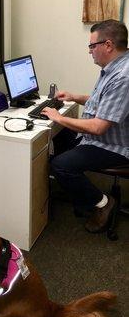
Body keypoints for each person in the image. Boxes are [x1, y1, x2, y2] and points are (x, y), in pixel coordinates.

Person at [41, 19, 129, 233]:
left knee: (60, 163)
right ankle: (73, 187)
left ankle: (103, 203)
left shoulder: (123, 76)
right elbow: (105, 101)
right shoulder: (116, 66)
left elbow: (98, 127)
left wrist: (58, 118)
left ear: (107, 45)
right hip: (104, 137)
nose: (90, 51)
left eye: (92, 46)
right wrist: (76, 97)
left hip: (113, 145)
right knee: (59, 137)